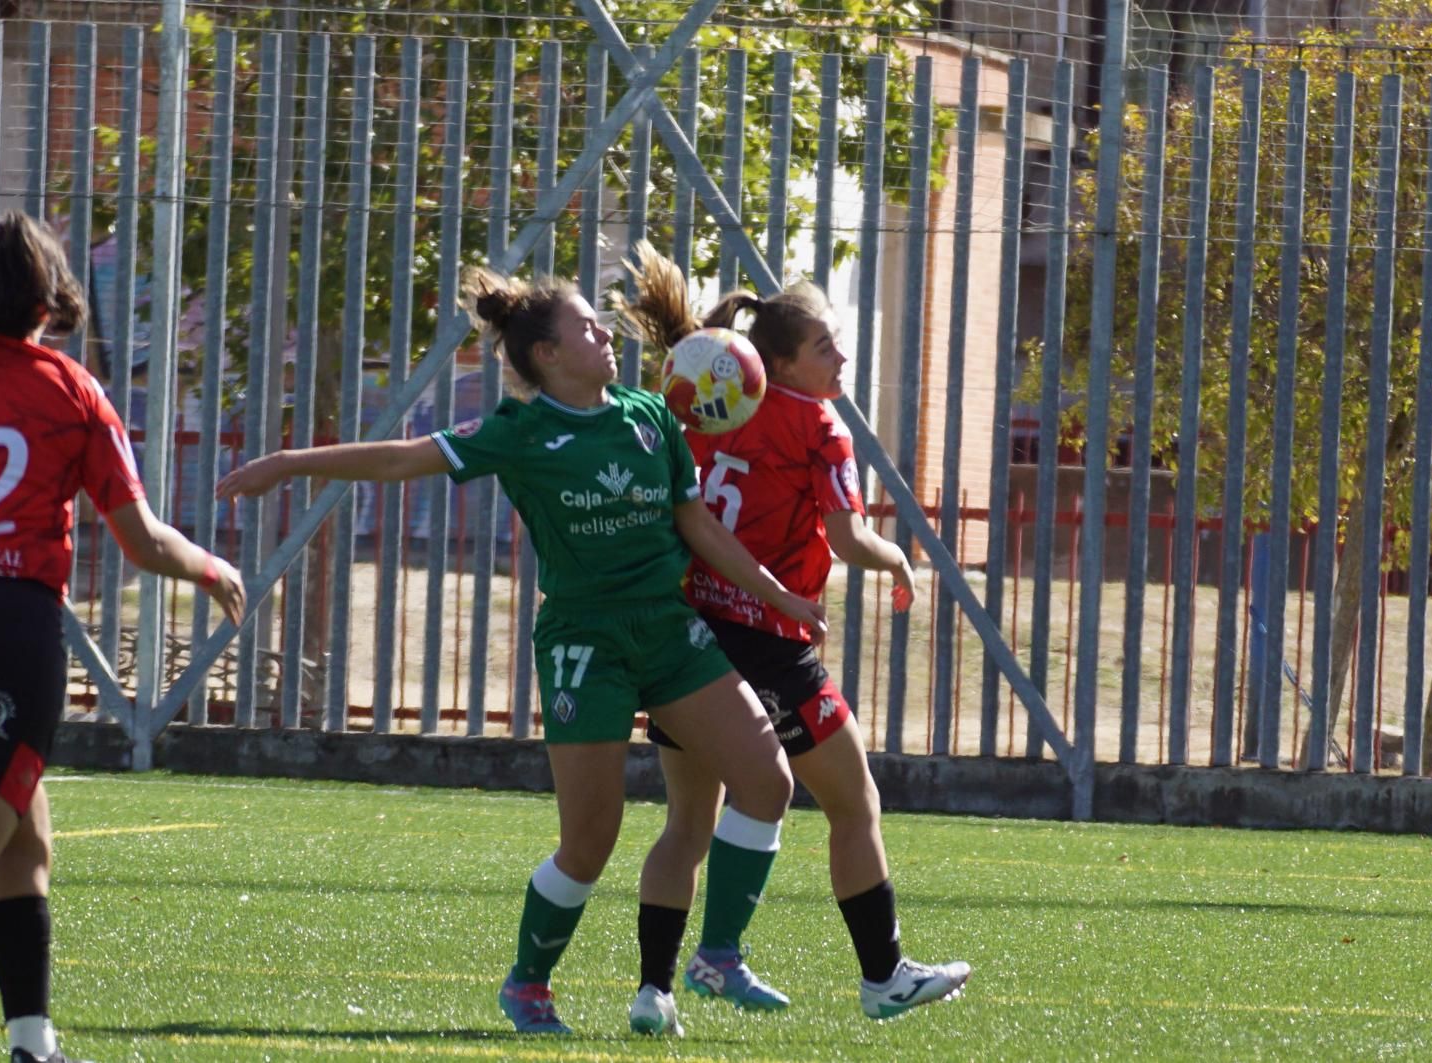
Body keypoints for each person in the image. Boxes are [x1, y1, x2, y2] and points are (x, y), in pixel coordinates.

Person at [216, 266, 825, 1038]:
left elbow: (698, 526)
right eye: (588, 328)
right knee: (589, 840)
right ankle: (528, 983)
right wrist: (289, 464)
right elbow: (404, 459)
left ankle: (719, 956)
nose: (607, 334)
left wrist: (781, 597)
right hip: (585, 642)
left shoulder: (648, 416)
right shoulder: (520, 432)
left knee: (767, 779)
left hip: (668, 631)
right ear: (546, 354)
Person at [0, 211, 246, 1063]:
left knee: (24, 836)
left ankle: (33, 1043)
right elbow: (142, 539)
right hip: (2, 628)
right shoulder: (72, 391)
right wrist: (209, 567)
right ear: (49, 302)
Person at [616, 242, 971, 1024]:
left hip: (690, 638)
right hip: (771, 641)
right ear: (774, 362)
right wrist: (899, 562)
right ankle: (874, 974)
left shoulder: (699, 417)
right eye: (824, 346)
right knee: (854, 801)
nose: (841, 356)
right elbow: (847, 540)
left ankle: (655, 989)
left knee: (687, 821)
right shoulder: (816, 423)